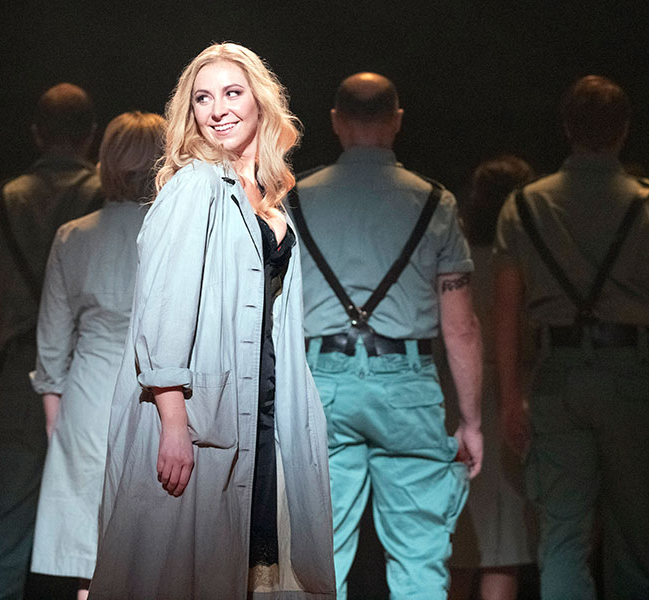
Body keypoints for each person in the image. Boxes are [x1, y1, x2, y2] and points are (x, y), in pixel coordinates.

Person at [86, 43, 336, 600]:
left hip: (262, 402)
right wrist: (174, 422)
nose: (218, 109)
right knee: (181, 571)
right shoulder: (196, 185)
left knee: (256, 563)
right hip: (203, 411)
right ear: (189, 112)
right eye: (203, 98)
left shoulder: (271, 197)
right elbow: (164, 306)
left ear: (260, 101)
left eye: (232, 93)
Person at [494, 75, 649, 600]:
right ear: (625, 130)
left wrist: (512, 399)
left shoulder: (524, 206)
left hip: (557, 378)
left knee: (561, 539)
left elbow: (507, 314)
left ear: (566, 129)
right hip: (635, 378)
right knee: (635, 538)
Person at [292, 72, 483, 600]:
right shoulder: (435, 202)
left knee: (319, 556)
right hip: (407, 387)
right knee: (420, 557)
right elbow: (460, 326)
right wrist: (471, 420)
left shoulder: (296, 200)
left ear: (335, 122)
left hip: (321, 382)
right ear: (397, 121)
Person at [0, 83, 101, 600]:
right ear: (92, 135)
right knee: (99, 522)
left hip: (21, 376)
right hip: (89, 373)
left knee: (5, 524)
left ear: (38, 134)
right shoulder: (108, 197)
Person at [29, 111, 165, 599]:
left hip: (88, 398)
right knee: (157, 547)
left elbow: (52, 345)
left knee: (91, 550)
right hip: (161, 393)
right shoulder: (177, 235)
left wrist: (55, 419)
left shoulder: (74, 236)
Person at [447, 156, 536, 600]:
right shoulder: (523, 268)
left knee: (456, 546)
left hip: (450, 401)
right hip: (505, 401)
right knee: (502, 544)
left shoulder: (449, 263)